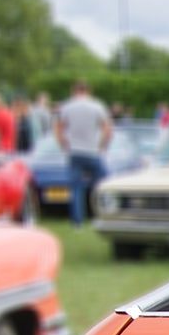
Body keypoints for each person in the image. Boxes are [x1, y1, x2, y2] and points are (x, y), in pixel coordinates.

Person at [54, 80, 112, 228]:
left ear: (74, 91)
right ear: (88, 91)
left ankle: (77, 222)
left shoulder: (66, 106)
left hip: (74, 151)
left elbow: (58, 129)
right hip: (92, 151)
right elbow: (107, 129)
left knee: (76, 188)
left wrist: (63, 145)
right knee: (101, 185)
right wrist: (102, 146)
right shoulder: (97, 106)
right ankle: (101, 215)